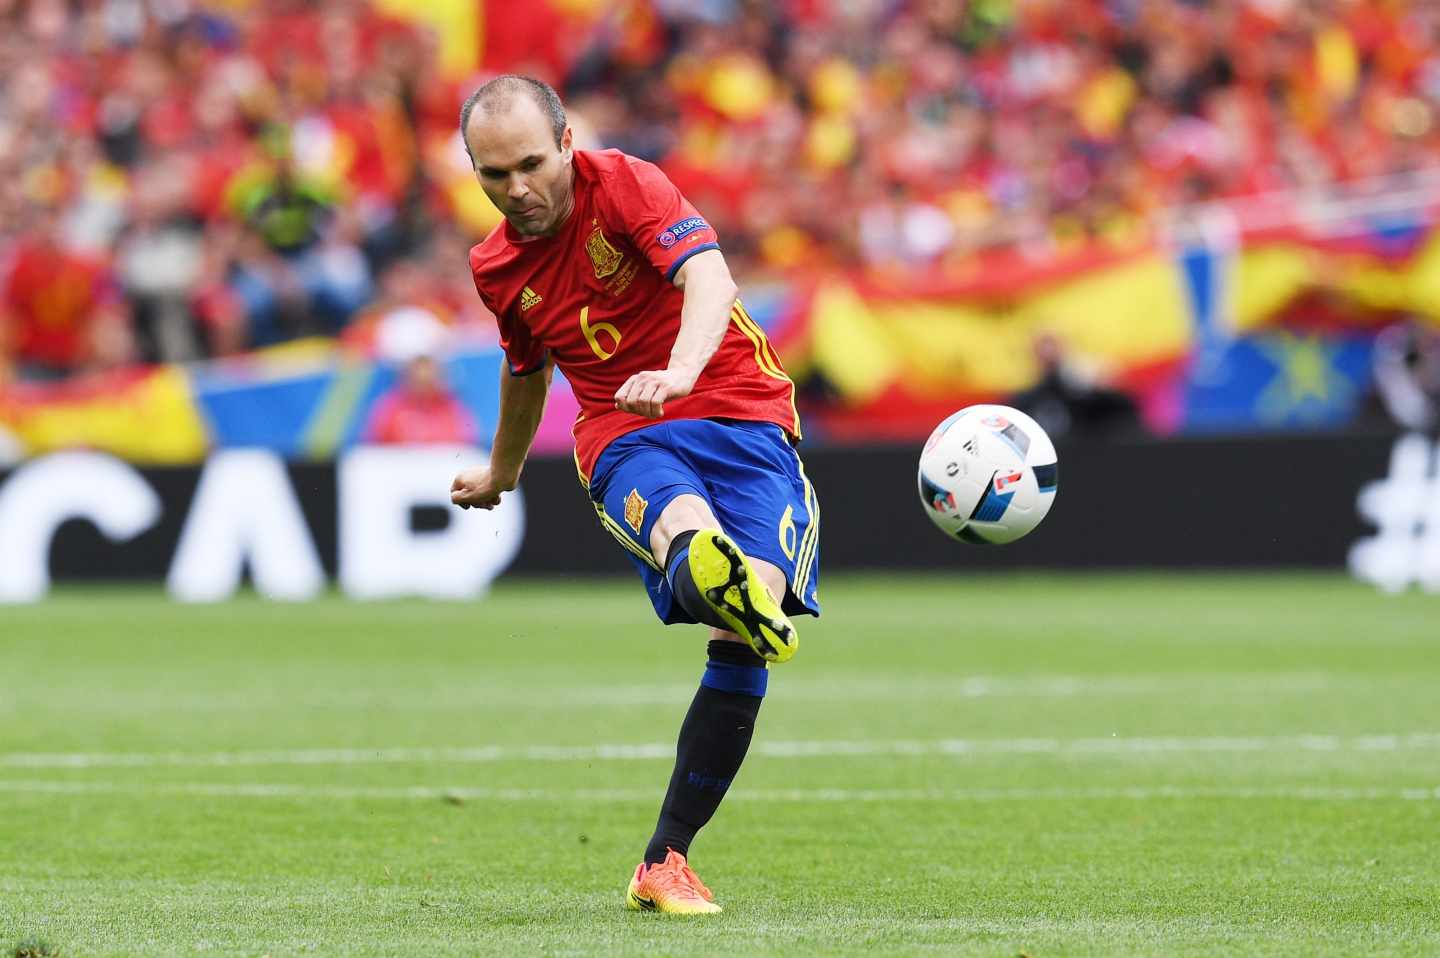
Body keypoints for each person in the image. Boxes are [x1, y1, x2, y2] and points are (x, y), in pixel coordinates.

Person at [449, 76, 819, 915]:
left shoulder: (628, 185)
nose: (517, 189)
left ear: (568, 142)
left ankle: (664, 863)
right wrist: (503, 472)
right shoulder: (495, 268)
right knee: (690, 535)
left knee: (745, 628)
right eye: (494, 173)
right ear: (473, 170)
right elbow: (525, 371)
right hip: (625, 434)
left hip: (742, 412)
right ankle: (705, 564)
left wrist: (681, 371)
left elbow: (713, 281)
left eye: (532, 165)